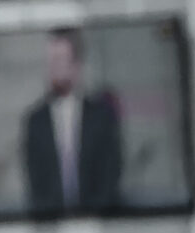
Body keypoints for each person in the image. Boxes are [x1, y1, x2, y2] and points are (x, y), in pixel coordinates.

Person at [22, 29, 123, 217]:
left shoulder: (101, 117)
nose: (53, 68)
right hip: (51, 223)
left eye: (60, 60)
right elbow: (36, 183)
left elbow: (110, 175)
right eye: (50, 61)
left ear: (76, 65)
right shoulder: (36, 121)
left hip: (98, 221)